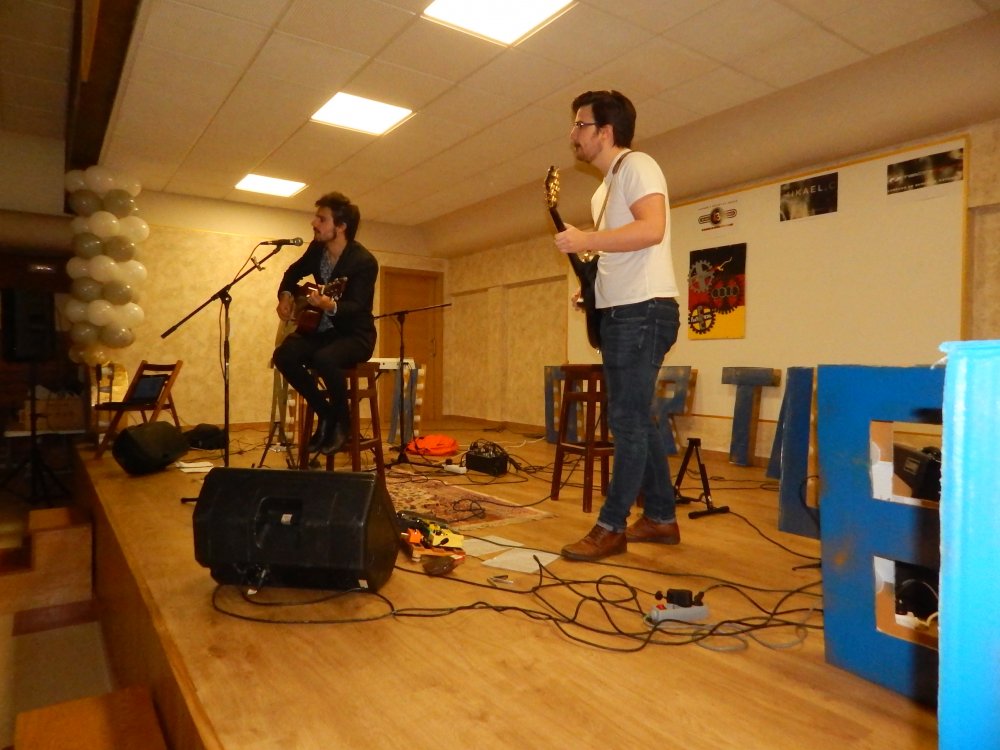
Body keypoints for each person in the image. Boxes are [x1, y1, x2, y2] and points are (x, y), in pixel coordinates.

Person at [553, 90, 682, 561]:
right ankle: (661, 517)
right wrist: (593, 290)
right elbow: (620, 249)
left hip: (643, 310)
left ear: (605, 132)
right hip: (623, 309)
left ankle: (611, 527)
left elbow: (651, 229)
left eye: (580, 124)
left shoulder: (637, 165)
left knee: (625, 421)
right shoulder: (603, 190)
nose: (573, 133)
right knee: (637, 418)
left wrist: (587, 239)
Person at [273, 191, 378, 455]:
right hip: (322, 331)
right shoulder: (317, 249)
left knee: (325, 359)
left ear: (340, 226)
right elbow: (292, 273)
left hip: (355, 335)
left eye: (322, 219)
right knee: (284, 355)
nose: (314, 223)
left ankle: (343, 423)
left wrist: (329, 305)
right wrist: (285, 296)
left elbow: (358, 306)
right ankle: (326, 413)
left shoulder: (364, 261)